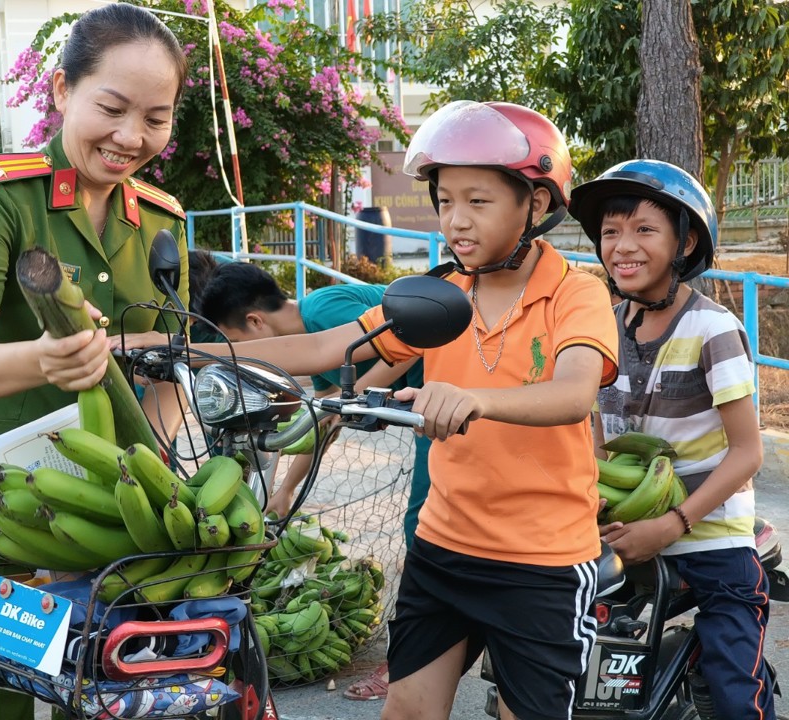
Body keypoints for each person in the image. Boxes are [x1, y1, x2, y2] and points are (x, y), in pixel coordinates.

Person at [123, 100, 620, 720]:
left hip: (540, 561)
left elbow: (574, 392)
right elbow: (330, 346)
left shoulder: (576, 292)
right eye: (444, 201)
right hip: (444, 547)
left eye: (478, 201)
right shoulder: (441, 292)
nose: (455, 221)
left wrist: (476, 399)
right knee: (406, 710)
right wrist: (179, 348)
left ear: (536, 205)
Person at [0, 5, 190, 719]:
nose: (130, 137)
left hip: (107, 518)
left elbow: (168, 370)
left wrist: (157, 483)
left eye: (156, 117)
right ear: (61, 91)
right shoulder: (0, 198)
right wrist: (50, 359)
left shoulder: (162, 219)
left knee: (97, 701)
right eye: (112, 108)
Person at [568, 159, 773, 719]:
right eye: (610, 231)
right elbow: (590, 431)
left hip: (710, 534)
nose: (623, 245)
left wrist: (670, 524)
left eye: (644, 229)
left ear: (684, 244)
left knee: (735, 686)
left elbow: (747, 452)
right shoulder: (598, 326)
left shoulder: (713, 330)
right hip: (616, 528)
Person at [199, 261, 428, 526]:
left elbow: (412, 338)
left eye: (237, 343)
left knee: (421, 516)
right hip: (420, 399)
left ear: (255, 320)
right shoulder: (312, 343)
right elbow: (326, 422)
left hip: (441, 388)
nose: (242, 352)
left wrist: (350, 394)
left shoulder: (323, 311)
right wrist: (286, 489)